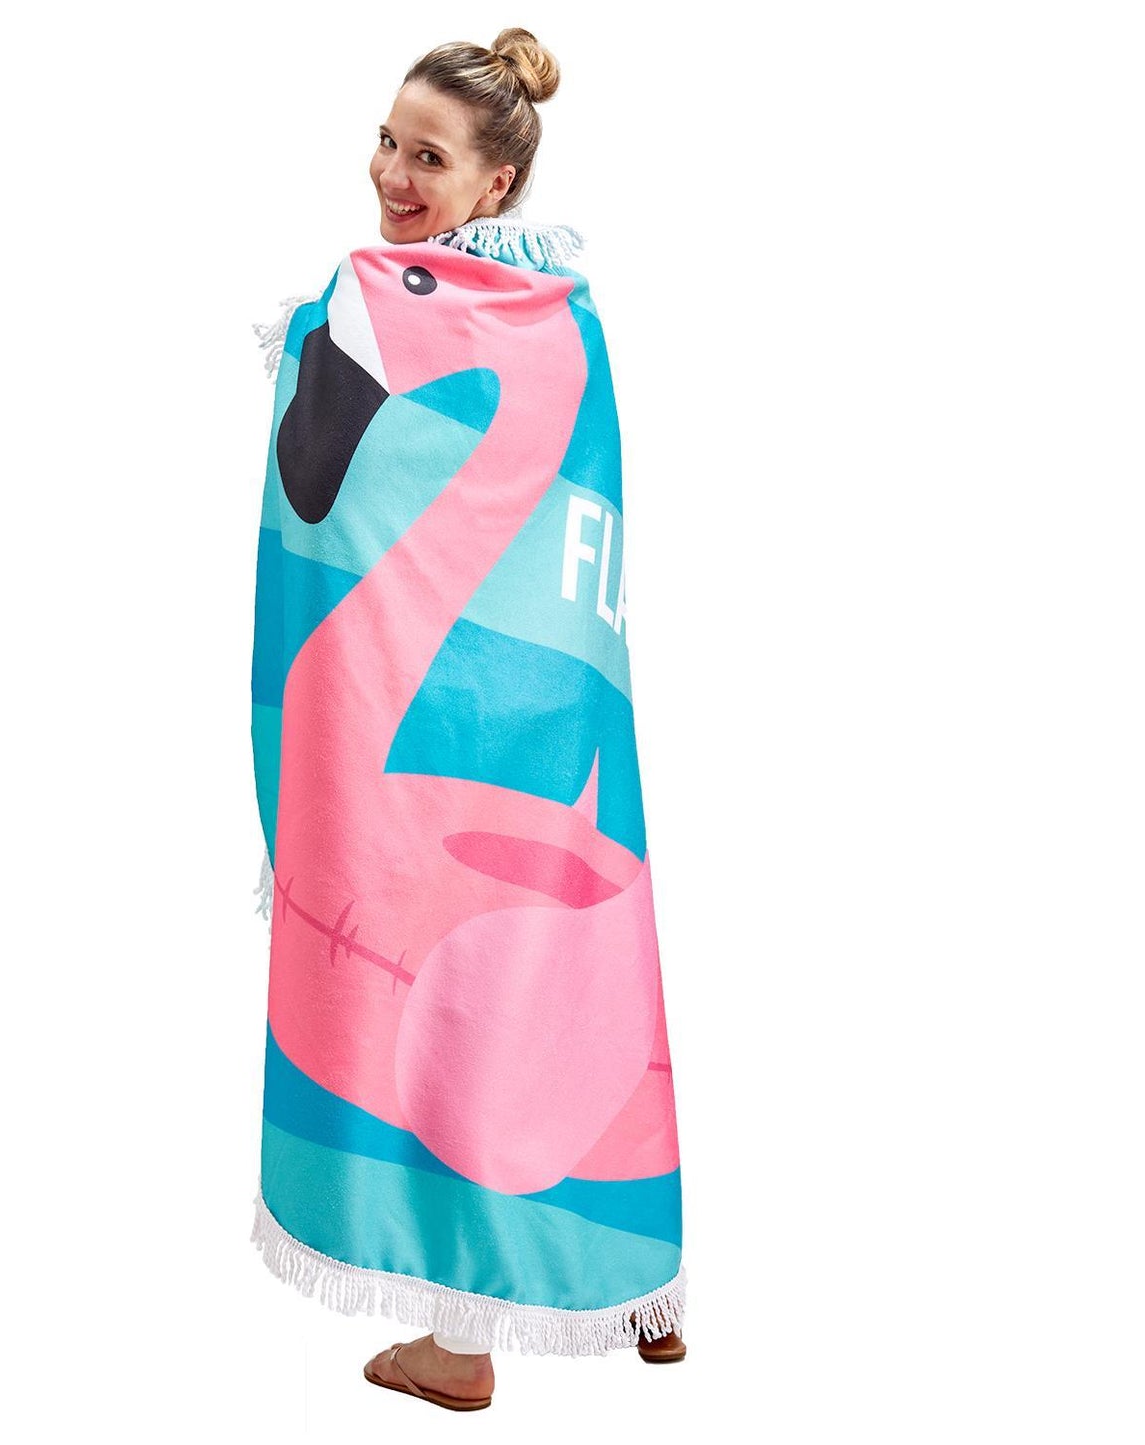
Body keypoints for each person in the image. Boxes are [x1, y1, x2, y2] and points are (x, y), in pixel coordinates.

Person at [248, 28, 687, 1411]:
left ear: (492, 184)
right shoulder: (565, 312)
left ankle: (458, 1341)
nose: (391, 175)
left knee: (434, 1001)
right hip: (556, 713)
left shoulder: (379, 302)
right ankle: (637, 1285)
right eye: (387, 141)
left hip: (426, 717)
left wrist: (316, 342)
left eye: (426, 157)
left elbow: (320, 485)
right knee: (575, 983)